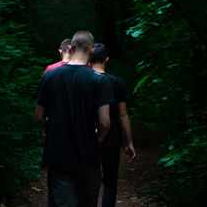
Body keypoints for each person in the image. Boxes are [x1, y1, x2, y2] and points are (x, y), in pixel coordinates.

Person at [35, 31, 114, 207]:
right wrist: (98, 138)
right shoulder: (99, 81)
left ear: (70, 48)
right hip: (88, 154)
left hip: (58, 154)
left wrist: (47, 131)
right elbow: (104, 122)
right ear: (92, 51)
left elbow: (39, 116)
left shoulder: (50, 76)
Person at [90, 43, 136, 207]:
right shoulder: (117, 82)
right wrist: (129, 142)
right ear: (107, 59)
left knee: (87, 181)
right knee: (110, 181)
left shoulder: (82, 80)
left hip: (86, 136)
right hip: (111, 138)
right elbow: (123, 115)